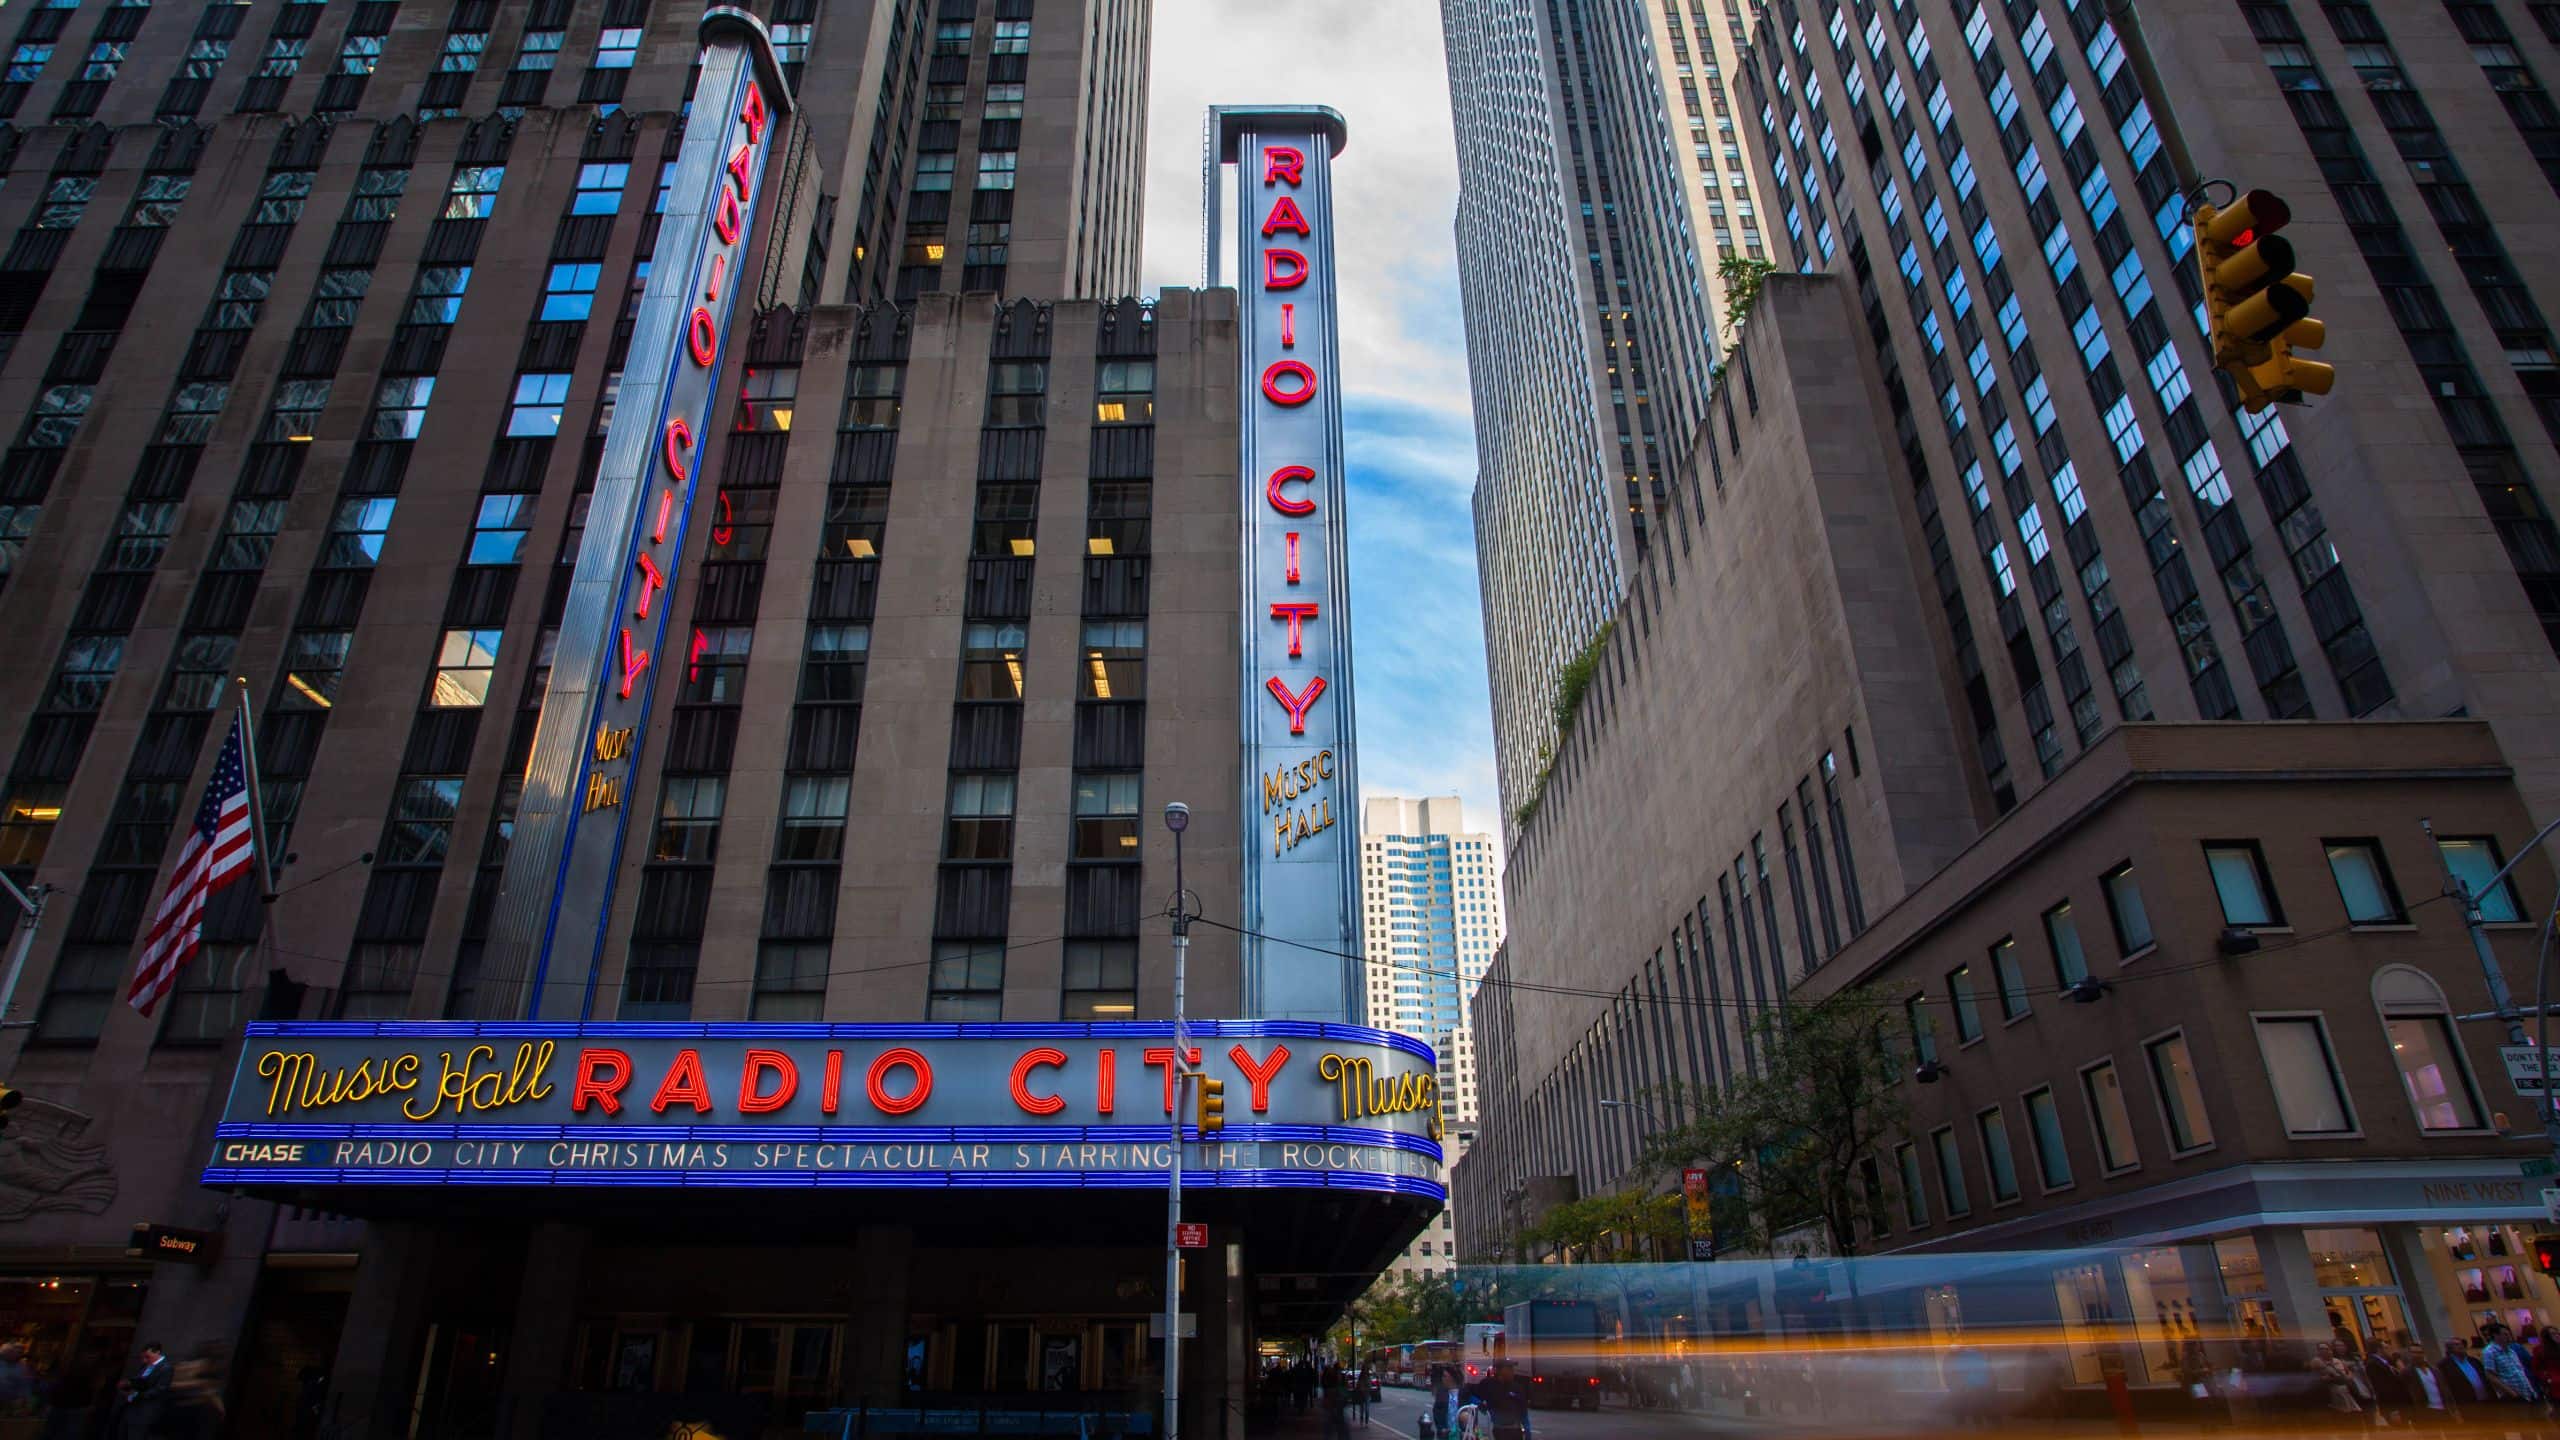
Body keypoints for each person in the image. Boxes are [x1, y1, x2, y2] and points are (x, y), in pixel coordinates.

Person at [109, 1343, 168, 1440]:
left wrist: (137, 1394)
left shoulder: (166, 1368)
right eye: (144, 1357)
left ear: (157, 1353)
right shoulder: (146, 1365)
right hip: (131, 1406)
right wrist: (128, 1383)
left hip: (144, 1411)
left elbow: (159, 1390)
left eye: (148, 1357)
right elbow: (139, 1380)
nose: (145, 1360)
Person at [2480, 1325, 2539, 1403]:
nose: (2509, 1336)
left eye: (2509, 1334)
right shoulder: (2489, 1352)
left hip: (2527, 1392)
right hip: (2512, 1396)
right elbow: (2490, 1376)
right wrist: (2513, 1394)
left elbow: (2519, 1371)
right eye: (2505, 1334)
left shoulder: (2511, 1351)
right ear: (2496, 1335)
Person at [1479, 1359, 1532, 1440]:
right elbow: (1473, 1394)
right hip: (1498, 1429)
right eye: (1509, 1368)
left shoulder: (1517, 1387)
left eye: (1512, 1368)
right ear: (1498, 1371)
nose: (1512, 1371)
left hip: (1515, 1431)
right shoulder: (1488, 1384)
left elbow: (1523, 1412)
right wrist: (1481, 1406)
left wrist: (1527, 1432)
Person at [2439, 1338, 2491, 1408]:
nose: (2461, 1346)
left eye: (2461, 1344)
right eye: (2456, 1345)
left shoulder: (2474, 1361)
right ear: (2449, 1349)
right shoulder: (2444, 1365)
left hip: (2488, 1401)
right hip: (2467, 1404)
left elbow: (2485, 1379)